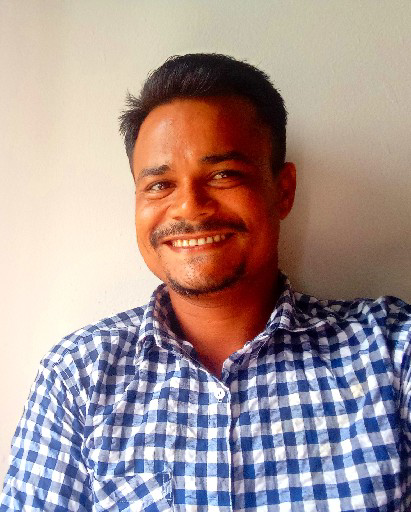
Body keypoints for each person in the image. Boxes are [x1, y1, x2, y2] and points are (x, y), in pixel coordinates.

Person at [1, 53, 410, 512]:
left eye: (223, 175)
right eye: (160, 184)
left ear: (283, 190)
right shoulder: (78, 377)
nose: (189, 207)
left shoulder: (391, 354)